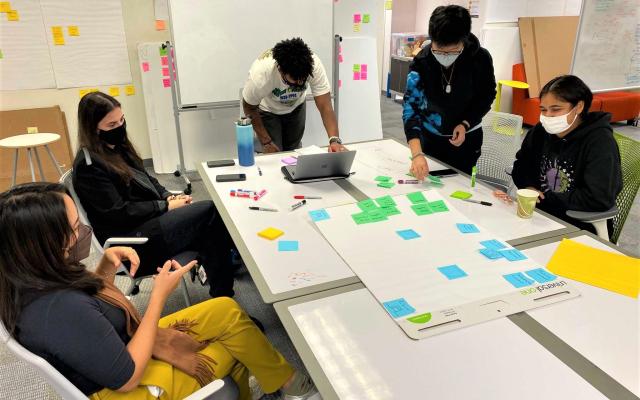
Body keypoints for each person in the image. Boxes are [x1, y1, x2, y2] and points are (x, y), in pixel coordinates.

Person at [0, 182, 320, 400]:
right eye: (74, 229)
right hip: (128, 385)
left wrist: (105, 270)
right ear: (41, 244)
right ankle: (281, 381)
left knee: (225, 309)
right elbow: (126, 377)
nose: (85, 231)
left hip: (118, 345)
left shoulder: (36, 275)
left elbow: (94, 315)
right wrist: (158, 298)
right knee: (236, 346)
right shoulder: (56, 310)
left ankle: (282, 381)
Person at [72, 92, 235, 298]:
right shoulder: (89, 167)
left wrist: (167, 196)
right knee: (210, 213)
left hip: (148, 223)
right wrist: (164, 207)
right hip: (131, 241)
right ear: (93, 129)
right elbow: (119, 213)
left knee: (210, 229)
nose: (120, 127)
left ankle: (223, 295)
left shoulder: (116, 147)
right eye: (112, 125)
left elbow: (146, 179)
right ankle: (224, 290)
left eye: (122, 120)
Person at [512, 75, 622, 235]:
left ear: (578, 107)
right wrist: (529, 186)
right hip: (537, 213)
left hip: (577, 223)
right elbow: (521, 165)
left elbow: (598, 198)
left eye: (556, 109)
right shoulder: (540, 131)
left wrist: (547, 198)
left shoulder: (600, 142)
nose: (548, 116)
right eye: (543, 109)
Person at [403, 5, 496, 176]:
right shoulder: (421, 62)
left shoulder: (480, 58)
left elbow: (487, 95)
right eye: (439, 50)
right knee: (430, 187)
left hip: (468, 139)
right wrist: (417, 153)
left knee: (462, 188)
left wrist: (466, 123)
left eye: (452, 51)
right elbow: (411, 108)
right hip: (430, 139)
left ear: (463, 39)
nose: (445, 56)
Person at [242, 37, 347, 153]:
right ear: (280, 70)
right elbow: (249, 106)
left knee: (294, 152)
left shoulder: (313, 65)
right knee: (273, 153)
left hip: (296, 107)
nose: (299, 84)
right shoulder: (261, 74)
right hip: (268, 110)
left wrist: (335, 141)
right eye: (293, 81)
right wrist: (266, 142)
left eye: (302, 80)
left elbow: (325, 106)